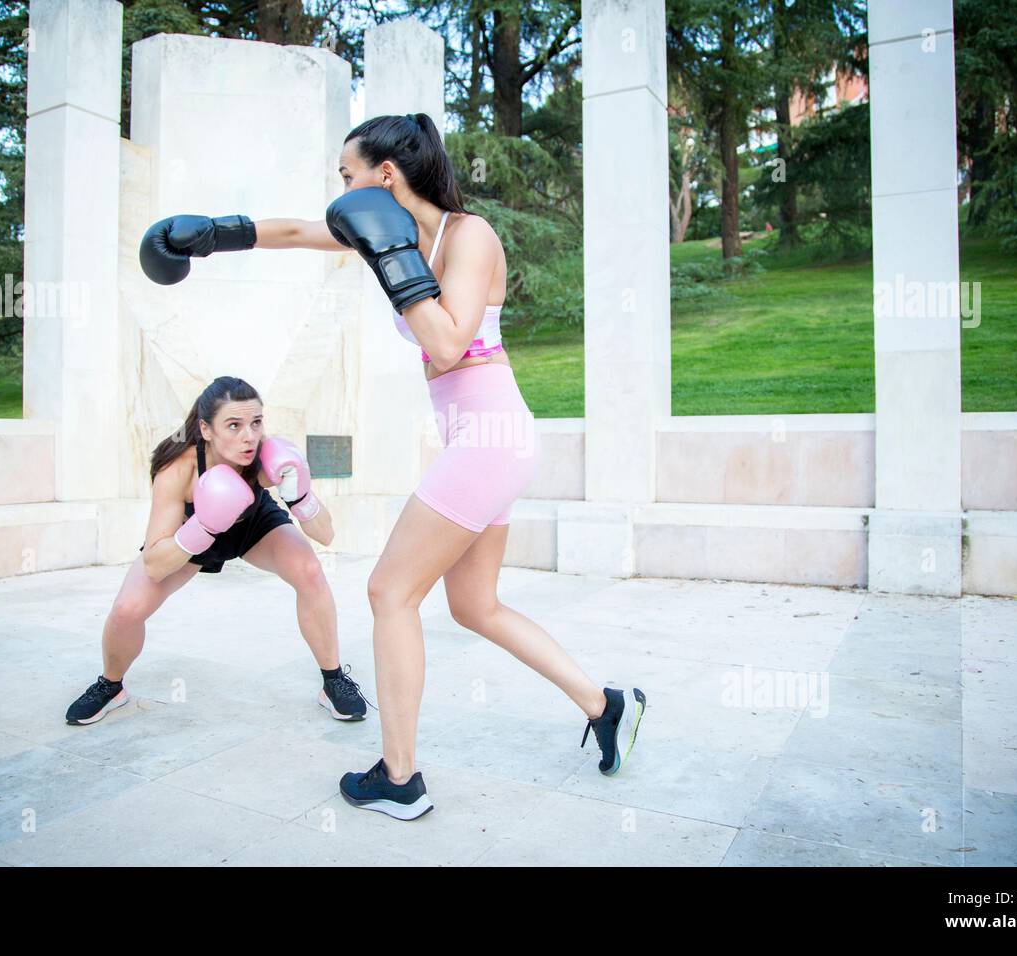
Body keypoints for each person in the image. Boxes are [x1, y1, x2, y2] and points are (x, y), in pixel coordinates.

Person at [137, 113, 645, 822]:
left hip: (489, 437)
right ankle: (607, 704)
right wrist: (213, 235)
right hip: (479, 437)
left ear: (384, 175)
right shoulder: (381, 231)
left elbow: (444, 344)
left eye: (347, 175)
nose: (339, 190)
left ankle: (400, 777)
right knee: (474, 605)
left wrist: (390, 252)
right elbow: (294, 232)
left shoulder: (470, 237)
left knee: (389, 592)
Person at [64, 376, 369, 726]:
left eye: (256, 423)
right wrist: (203, 526)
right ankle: (110, 685)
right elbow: (154, 563)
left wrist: (300, 497)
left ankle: (333, 681)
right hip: (193, 534)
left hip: (253, 526)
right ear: (206, 429)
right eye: (234, 425)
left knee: (310, 572)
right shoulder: (178, 468)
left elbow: (326, 534)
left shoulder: (267, 458)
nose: (249, 436)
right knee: (126, 611)